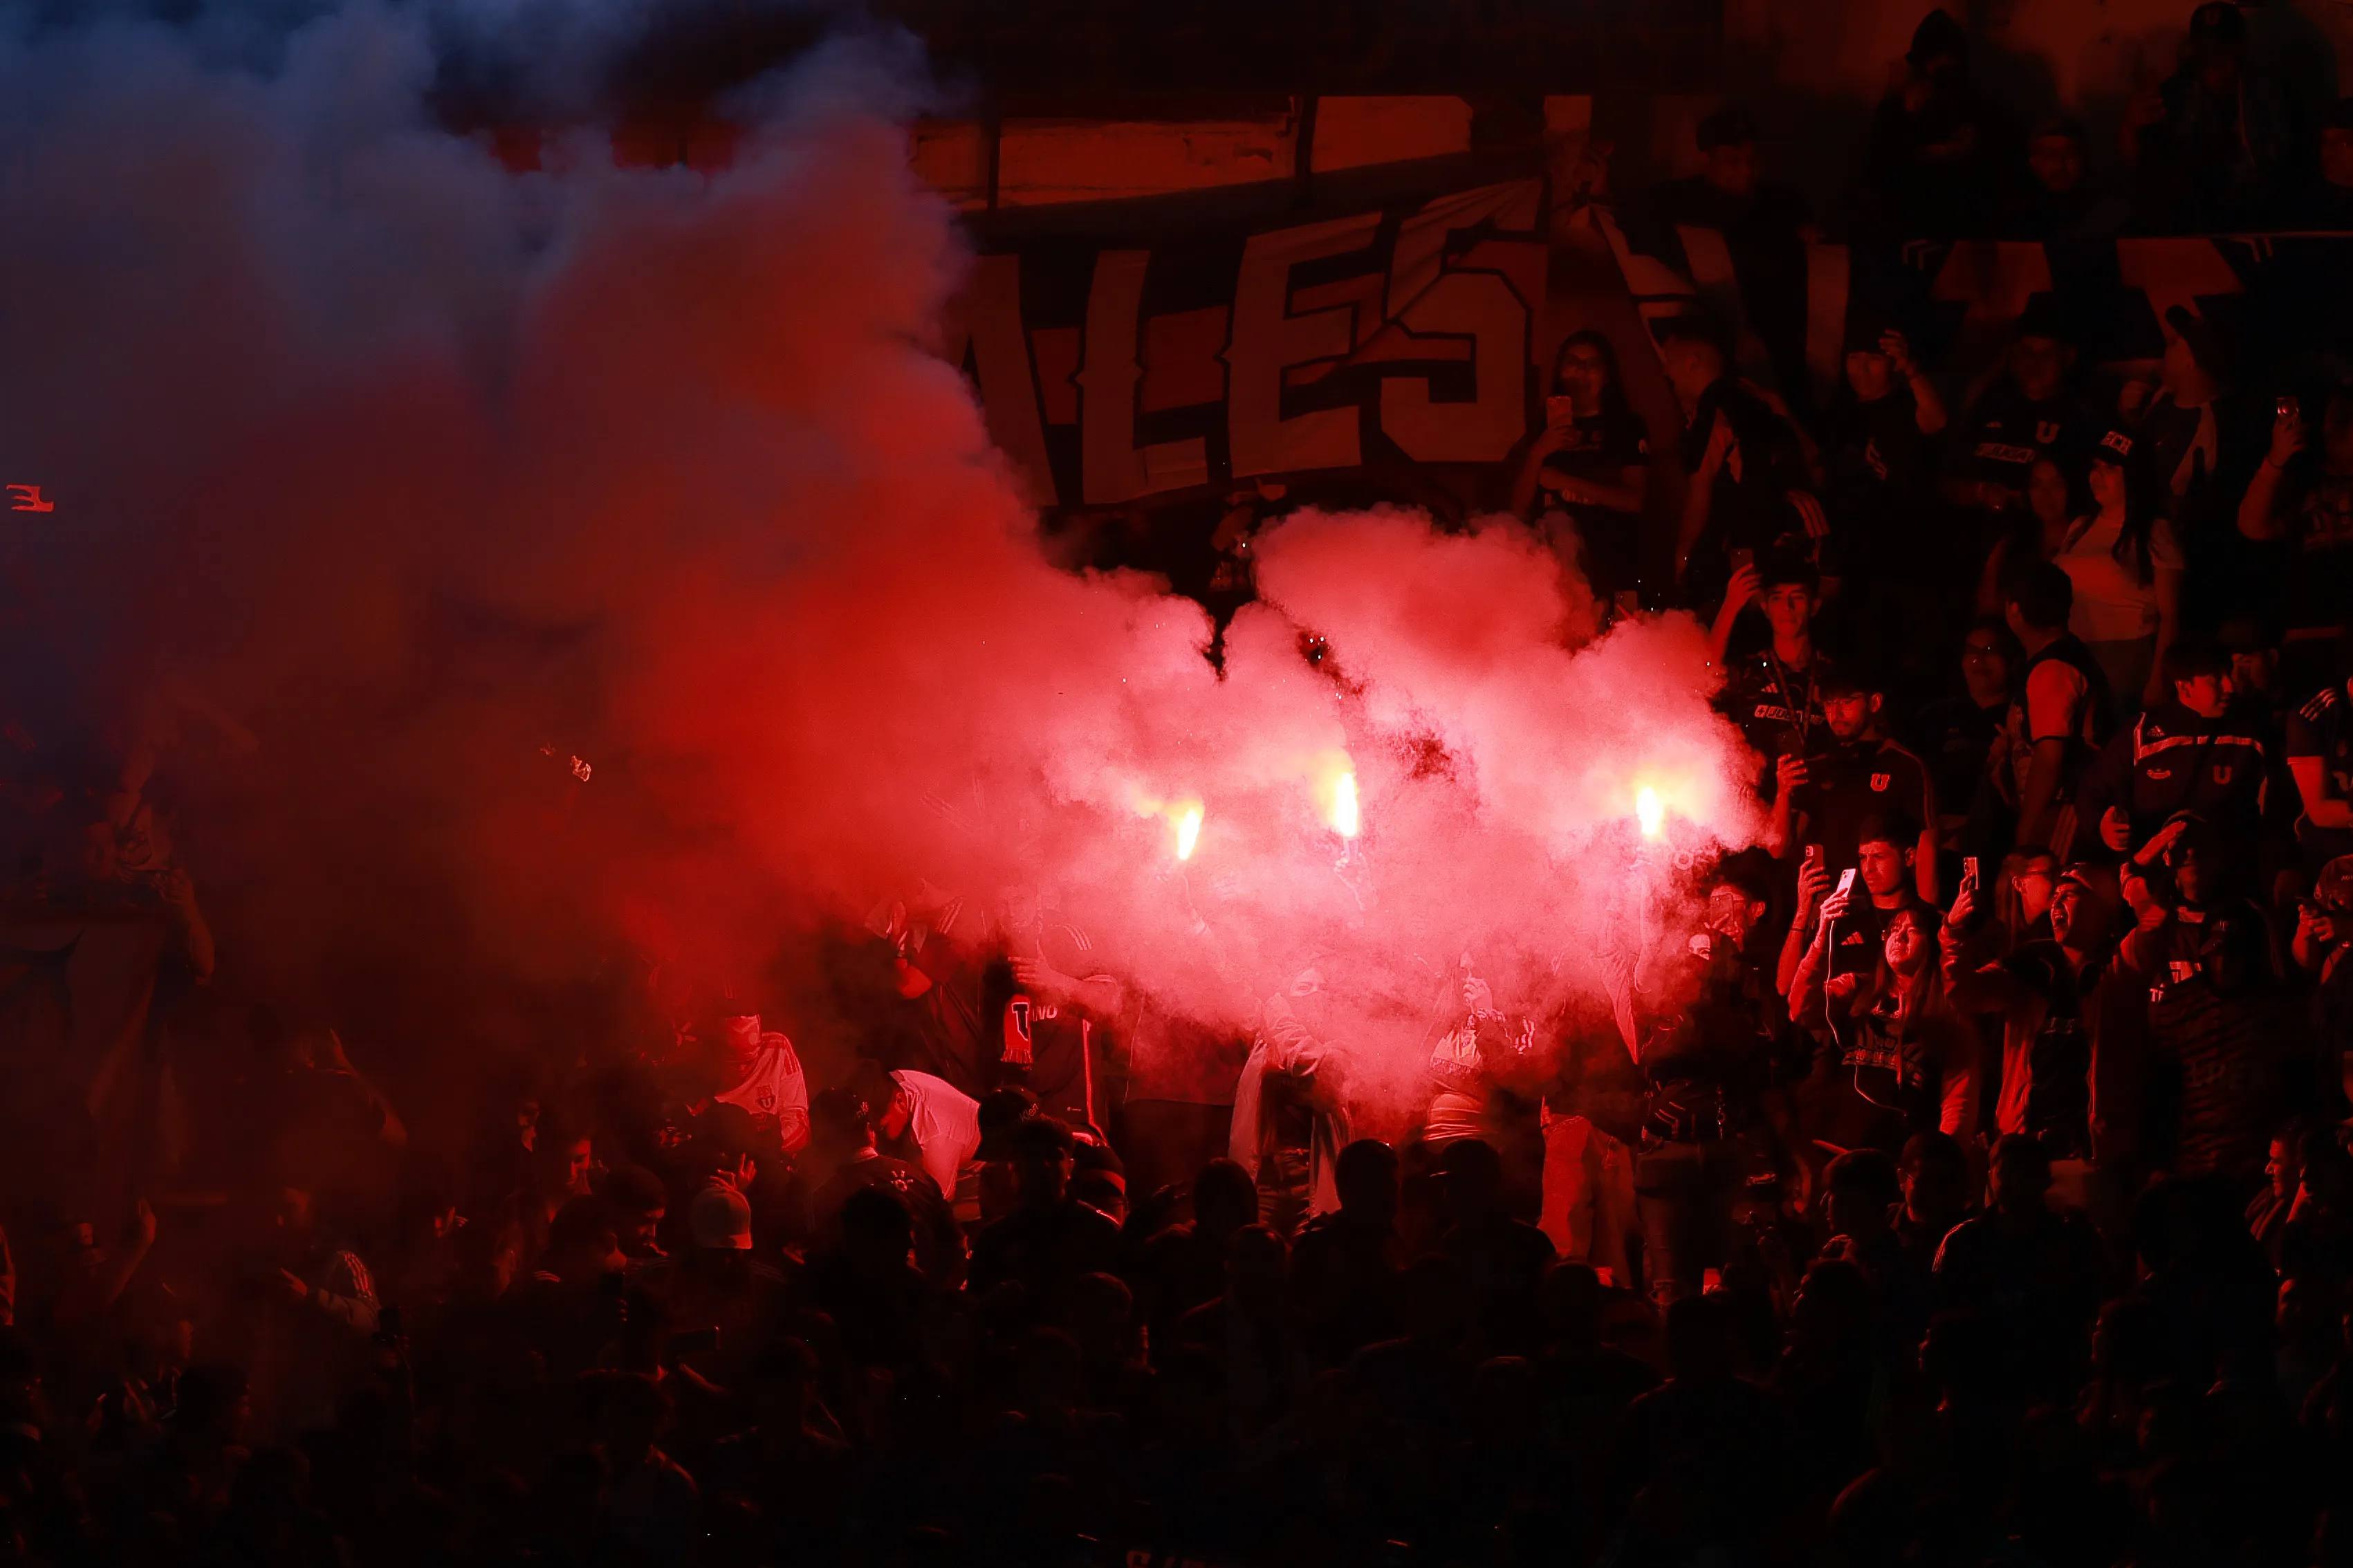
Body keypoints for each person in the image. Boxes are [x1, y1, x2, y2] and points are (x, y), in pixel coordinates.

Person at [1617, 858, 1811, 1306]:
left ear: (1755, 911)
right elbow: (1650, 992)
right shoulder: (1672, 983)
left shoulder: (1753, 981)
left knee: (1744, 1285)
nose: (1715, 910)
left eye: (1729, 901)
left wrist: (1798, 1157)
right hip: (1668, 1152)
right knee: (1671, 1291)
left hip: (1731, 1151)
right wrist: (1648, 915)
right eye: (1712, 901)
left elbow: (1765, 1059)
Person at [1944, 869, 2130, 1189]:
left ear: (2102, 908)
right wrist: (1953, 933)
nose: (2056, 902)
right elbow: (1965, 993)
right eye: (2054, 895)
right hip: (2020, 1148)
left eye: (2069, 894)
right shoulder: (2030, 962)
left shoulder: (2120, 967)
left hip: (2093, 1155)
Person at [1791, 902, 1980, 1156]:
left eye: (1913, 930)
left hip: (1892, 1158)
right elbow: (1799, 1009)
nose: (1899, 937)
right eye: (1894, 929)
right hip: (1829, 1147)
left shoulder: (1950, 1016)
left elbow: (1958, 1104)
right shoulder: (1856, 988)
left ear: (1934, 943)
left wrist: (1939, 1161)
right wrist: (1820, 941)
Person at [1932, 1133, 2105, 1402]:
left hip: (2054, 1385)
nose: (2016, 1183)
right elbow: (1940, 1316)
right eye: (2008, 1172)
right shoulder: (1962, 1243)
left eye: (2025, 1173)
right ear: (1990, 1176)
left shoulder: (2073, 1241)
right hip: (1981, 1385)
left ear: (2045, 1179)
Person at [1662, 322, 1823, 600]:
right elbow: (1814, 460)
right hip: (1794, 541)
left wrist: (1683, 557)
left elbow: (1701, 489)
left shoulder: (1714, 405)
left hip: (1746, 550)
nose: (1666, 372)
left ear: (1692, 363)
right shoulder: (1758, 398)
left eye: (1669, 361)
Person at [2080, 638, 2269, 869]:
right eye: (2215, 679)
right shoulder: (2142, 732)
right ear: (2185, 686)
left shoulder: (2250, 734)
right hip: (2153, 869)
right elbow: (2094, 791)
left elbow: (2276, 809)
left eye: (2228, 675)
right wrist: (2103, 826)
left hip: (2228, 870)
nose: (2229, 687)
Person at [2123, 0, 2299, 231]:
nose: (2213, 60)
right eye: (2205, 51)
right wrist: (2131, 125)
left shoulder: (2269, 92)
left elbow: (2289, 168)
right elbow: (2142, 169)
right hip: (2194, 221)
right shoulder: (2174, 95)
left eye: (2222, 50)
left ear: (2241, 49)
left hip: (2260, 216)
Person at [1504, 331, 1652, 604]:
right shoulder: (1541, 428)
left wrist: (1566, 482)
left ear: (1607, 376)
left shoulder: (1626, 427)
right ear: (1560, 372)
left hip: (1612, 561)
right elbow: (1517, 509)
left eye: (1592, 364)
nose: (1581, 371)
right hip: (1552, 569)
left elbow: (1634, 500)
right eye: (1573, 362)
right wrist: (1538, 452)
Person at [1776, 668, 1939, 904]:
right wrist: (1783, 791)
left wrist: (1927, 915)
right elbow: (1779, 848)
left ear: (1875, 703)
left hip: (1887, 908)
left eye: (1847, 702)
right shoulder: (1817, 768)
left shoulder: (1905, 765)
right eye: (1829, 704)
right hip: (1828, 906)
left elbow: (1927, 846)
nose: (1836, 713)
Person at [2054, 429, 2184, 714]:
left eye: (2110, 468)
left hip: (2127, 659)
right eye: (2095, 467)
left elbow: (2171, 614)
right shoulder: (2080, 527)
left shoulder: (2155, 531)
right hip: (2076, 656)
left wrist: (2158, 680)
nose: (2097, 476)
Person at [1856, 9, 2016, 240]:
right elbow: (1879, 172)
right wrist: (1907, 114)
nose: (1939, 76)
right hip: (1909, 226)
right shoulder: (1896, 109)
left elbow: (1999, 172)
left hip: (1968, 228)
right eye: (1933, 64)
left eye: (1948, 67)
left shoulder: (1981, 108)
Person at [1230, 961, 1352, 1237]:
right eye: (1305, 987)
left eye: (1322, 988)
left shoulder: (1336, 1047)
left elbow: (1305, 1058)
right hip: (1266, 1175)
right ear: (1288, 995)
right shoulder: (1264, 1041)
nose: (1315, 993)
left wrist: (1277, 1011)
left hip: (1309, 1176)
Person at [1997, 561, 2112, 855]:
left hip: (2064, 814)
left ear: (2014, 608)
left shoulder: (2053, 669)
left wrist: (2028, 827)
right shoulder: (2059, 660)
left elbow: (2050, 757)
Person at [803, 1087, 963, 1286]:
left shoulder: (822, 1196)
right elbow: (958, 1246)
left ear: (822, 1145)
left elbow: (823, 1272)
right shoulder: (919, 1176)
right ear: (870, 1131)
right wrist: (933, 1294)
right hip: (922, 1299)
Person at [1948, 299, 2097, 512]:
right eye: (2026, 351)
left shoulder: (2081, 416)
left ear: (2068, 357)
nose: (2034, 362)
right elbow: (1946, 479)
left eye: (2046, 354)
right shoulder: (1989, 405)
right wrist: (1980, 492)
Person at [967, 1114, 1122, 1312]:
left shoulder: (1101, 1233)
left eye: (1054, 1156)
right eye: (1033, 1156)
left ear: (1070, 1166)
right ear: (1016, 1166)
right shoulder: (994, 1240)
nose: (1044, 1164)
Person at [2239, 385, 2353, 649]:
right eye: (2336, 417)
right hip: (2308, 636)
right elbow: (2252, 527)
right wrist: (2275, 460)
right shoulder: (2304, 482)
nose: (2337, 426)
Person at [1713, 552, 1836, 788]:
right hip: (1756, 796)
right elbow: (1704, 674)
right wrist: (1730, 606)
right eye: (1778, 598)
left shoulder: (1832, 675)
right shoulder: (1750, 670)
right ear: (1765, 608)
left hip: (1818, 797)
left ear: (1814, 606)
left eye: (1797, 598)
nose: (1787, 608)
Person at [1780, 814, 1937, 995]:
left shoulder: (1928, 922)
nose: (1868, 868)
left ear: (1908, 857)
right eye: (1863, 857)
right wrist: (1802, 911)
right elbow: (1786, 986)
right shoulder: (1843, 917)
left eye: (1878, 857)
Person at [1909, 618, 2019, 866]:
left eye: (1990, 650)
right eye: (1972, 652)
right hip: (1933, 841)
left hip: (1997, 843)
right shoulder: (1935, 717)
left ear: (2010, 660)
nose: (1980, 660)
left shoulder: (2021, 716)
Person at [1976, 456, 2083, 618]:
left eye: (2057, 484)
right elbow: (1988, 606)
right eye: (2037, 484)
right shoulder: (2011, 544)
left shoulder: (2089, 541)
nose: (2045, 494)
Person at [2000, 115, 2130, 239]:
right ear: (2034, 162)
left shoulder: (2114, 220)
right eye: (2049, 156)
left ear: (2083, 159)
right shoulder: (2014, 223)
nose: (2059, 165)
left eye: (2069, 155)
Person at [708, 1014, 809, 1156]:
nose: (742, 1069)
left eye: (749, 1062)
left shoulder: (777, 1048)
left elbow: (800, 1126)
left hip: (769, 1154)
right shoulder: (700, 1065)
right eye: (733, 1064)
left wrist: (770, 1143)